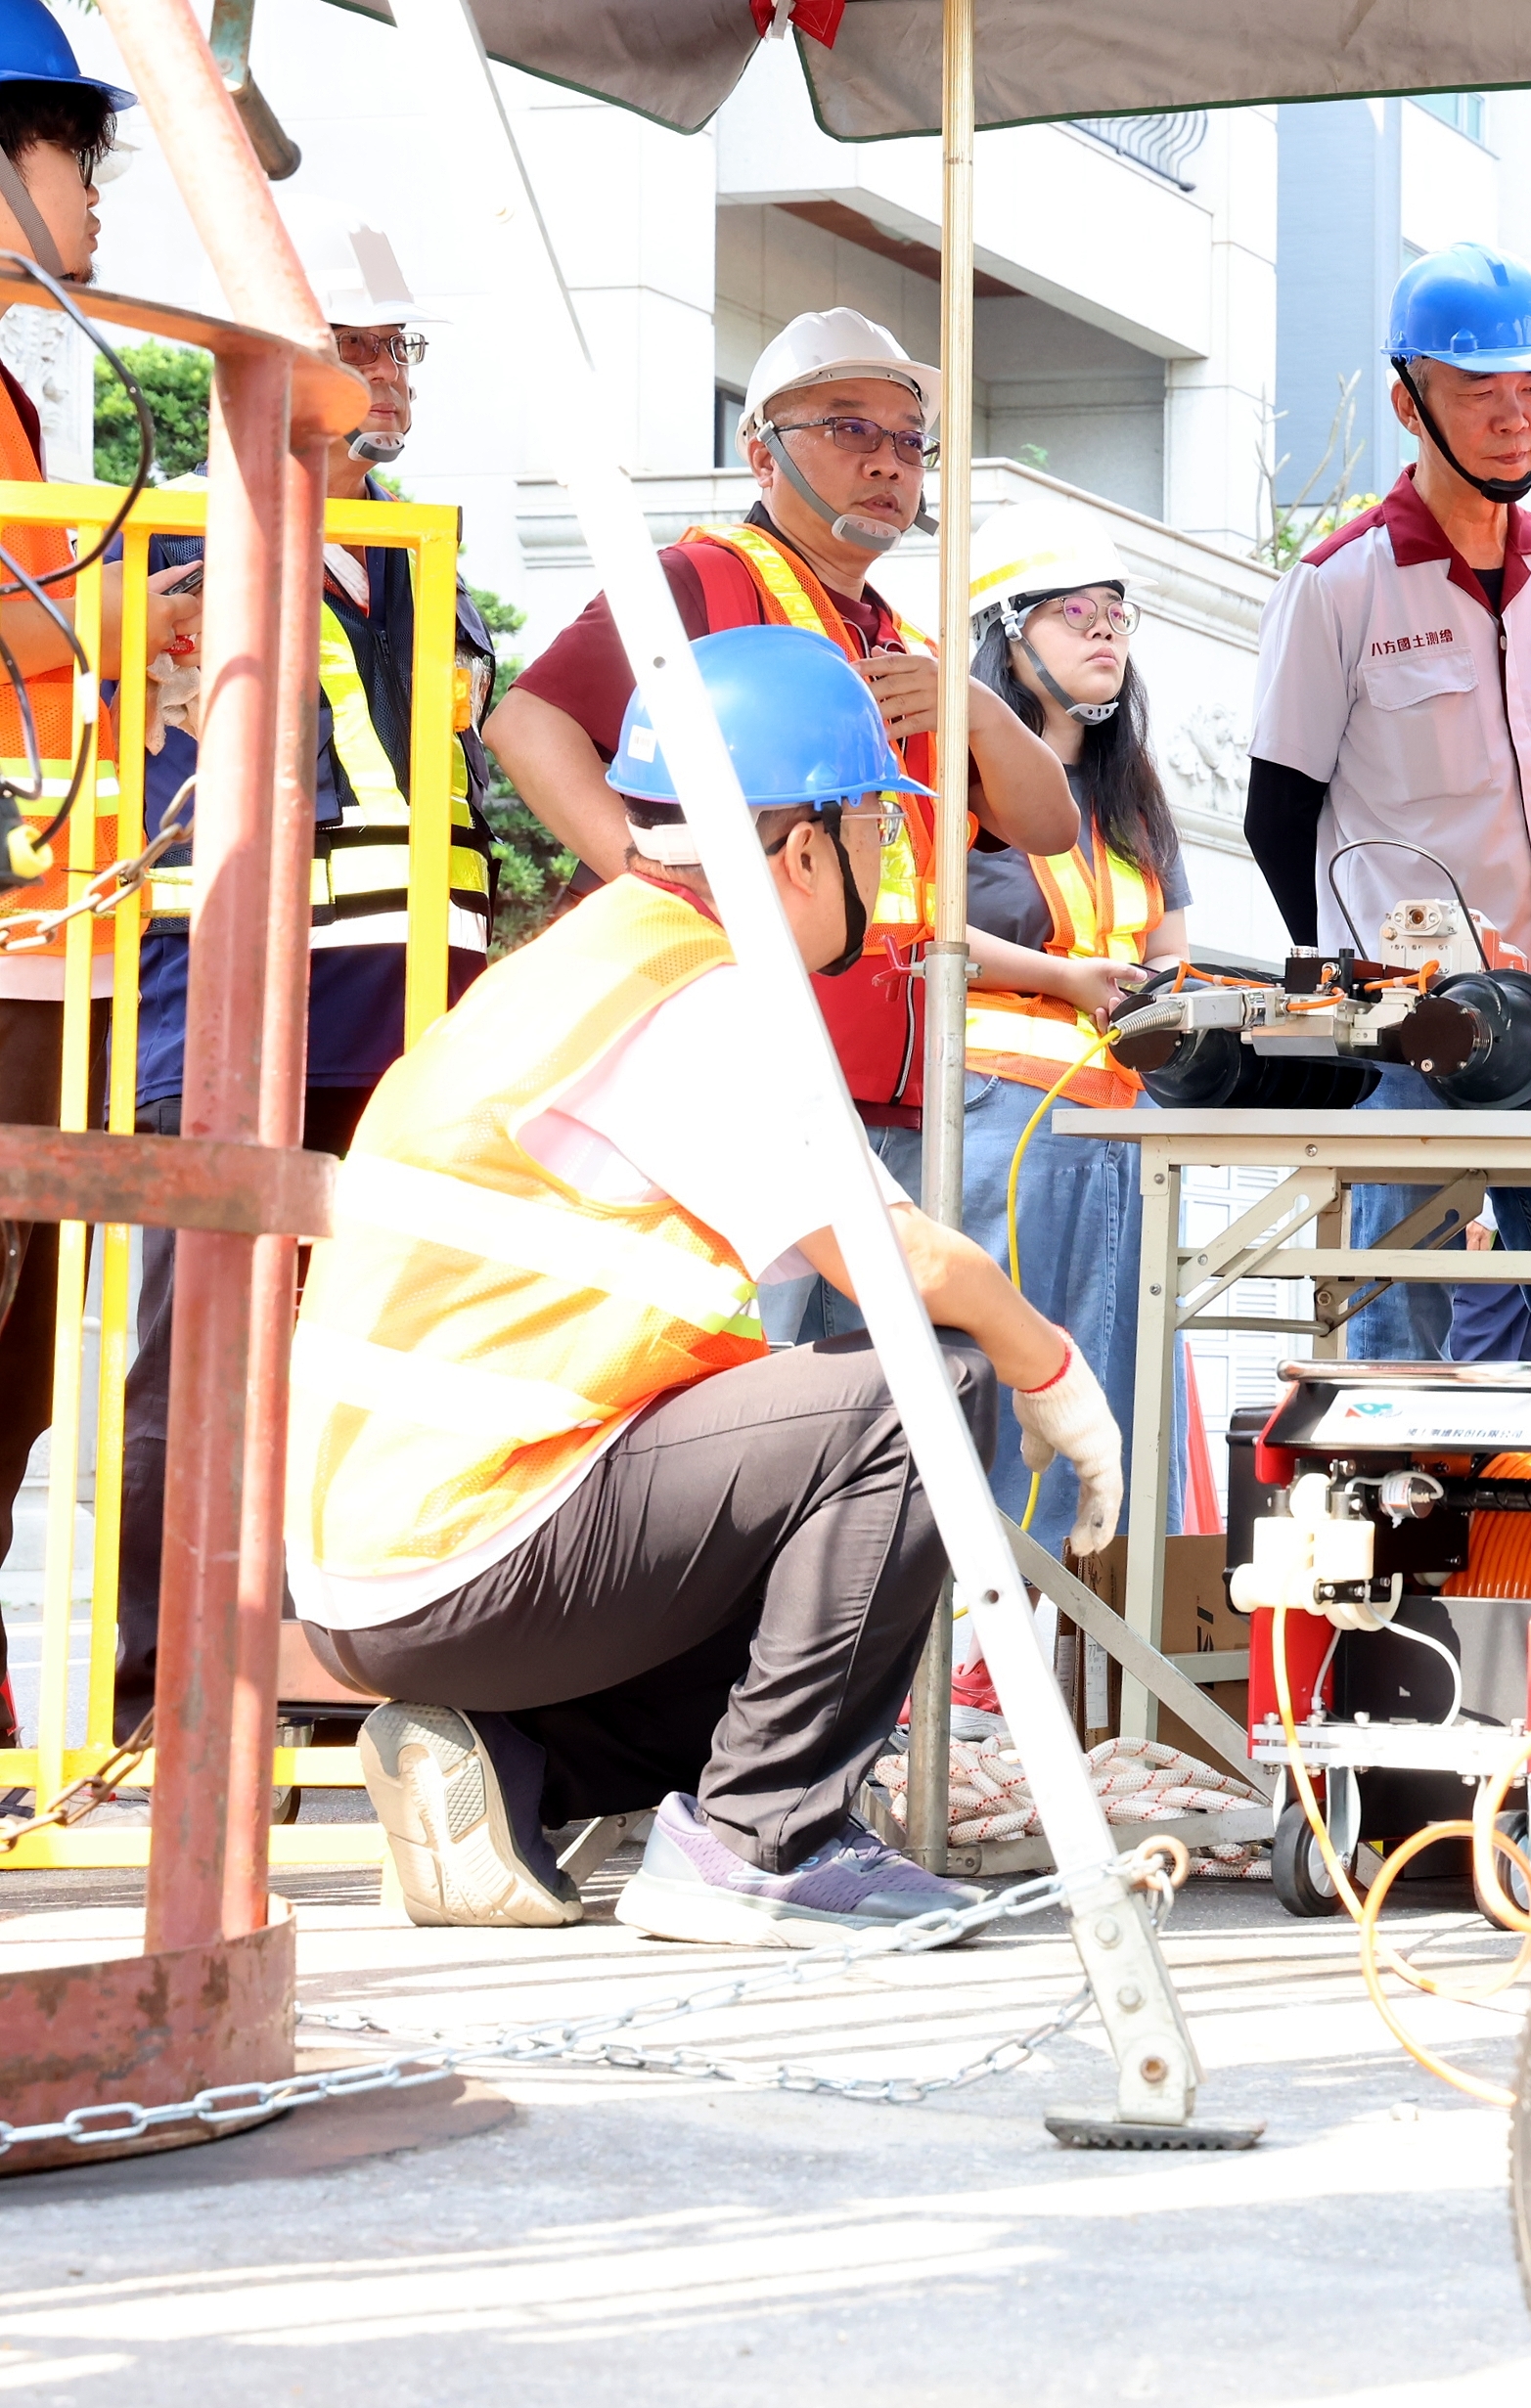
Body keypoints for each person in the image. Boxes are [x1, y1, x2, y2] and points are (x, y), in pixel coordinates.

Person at [300, 624, 1124, 1941]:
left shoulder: (590, 957)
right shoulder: (693, 998)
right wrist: (1053, 1370)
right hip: (466, 1545)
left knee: (817, 1573)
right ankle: (763, 1842)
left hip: (403, 1559)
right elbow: (903, 1260)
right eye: (878, 828)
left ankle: (509, 1761)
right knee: (920, 1393)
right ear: (803, 848)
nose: (888, 861)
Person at [100, 199, 501, 1733]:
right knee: (197, 1362)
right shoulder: (191, 533)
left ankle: (334, 1672)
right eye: (360, 346)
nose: (388, 376)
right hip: (232, 1010)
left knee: (379, 1354)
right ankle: (170, 1697)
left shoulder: (422, 553)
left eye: (401, 350)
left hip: (409, 1020)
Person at [487, 306, 1079, 1340]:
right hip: (737, 1080)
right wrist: (646, 873)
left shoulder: (904, 644)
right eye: (849, 428)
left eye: (910, 441)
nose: (887, 462)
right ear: (761, 453)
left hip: (892, 1090)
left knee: (879, 1395)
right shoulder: (699, 579)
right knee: (742, 1365)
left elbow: (1049, 824)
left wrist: (976, 708)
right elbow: (526, 723)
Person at [1247, 243, 1531, 1364]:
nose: (1514, 418)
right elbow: (1277, 811)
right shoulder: (1340, 583)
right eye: (1478, 392)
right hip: (1413, 1026)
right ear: (1410, 403)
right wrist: (1352, 989)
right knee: (1400, 1320)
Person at [0, 5, 196, 1755]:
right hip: (12, 950)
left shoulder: (11, 394)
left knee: (17, 1376)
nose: (99, 192)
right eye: (76, 151)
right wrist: (155, 610)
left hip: (49, 943)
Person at [950, 499, 1186, 1540]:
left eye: (1117, 615)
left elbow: (1169, 943)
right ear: (1005, 634)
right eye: (1074, 612)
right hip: (1003, 1123)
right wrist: (1064, 976)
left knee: (1124, 1397)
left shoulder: (1131, 789)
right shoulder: (952, 776)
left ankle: (1107, 1626)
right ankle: (990, 1624)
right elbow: (921, 931)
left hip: (1127, 1129)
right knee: (1019, 1397)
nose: (1105, 633)